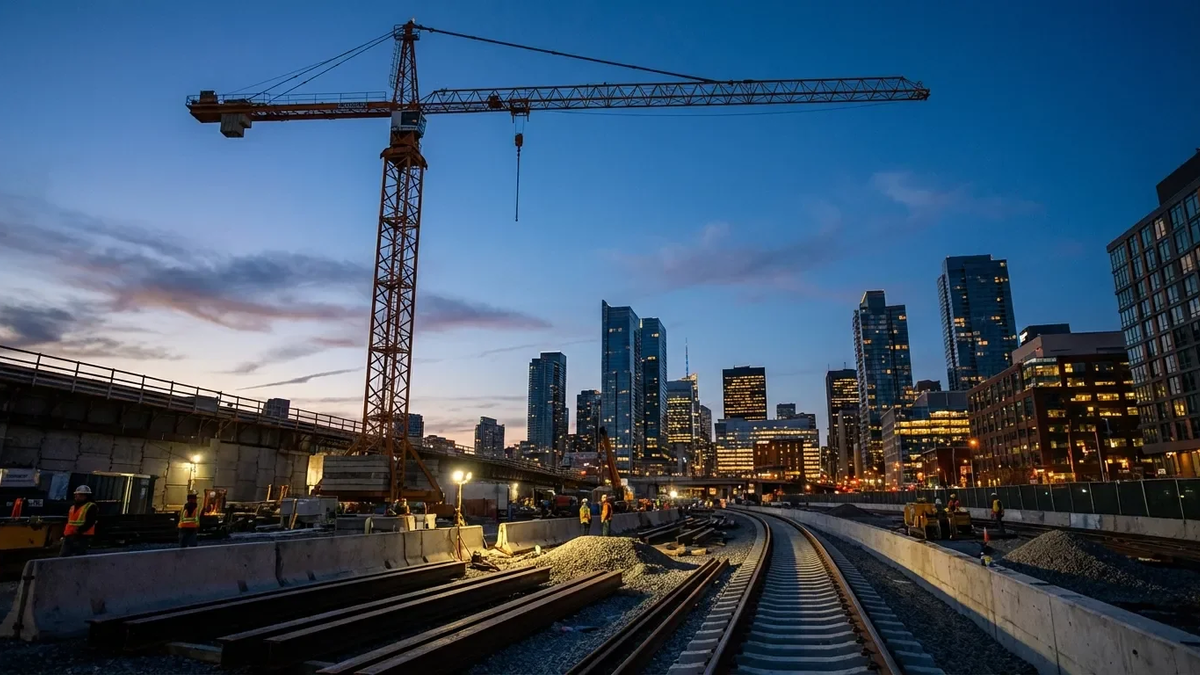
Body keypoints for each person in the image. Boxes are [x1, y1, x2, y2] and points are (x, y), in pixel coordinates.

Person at [61, 485, 98, 557]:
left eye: (78, 495)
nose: (76, 497)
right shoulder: (73, 507)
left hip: (82, 536)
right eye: (76, 495)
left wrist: (79, 530)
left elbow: (90, 521)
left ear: (85, 496)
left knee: (78, 556)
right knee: (64, 556)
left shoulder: (91, 506)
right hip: (69, 536)